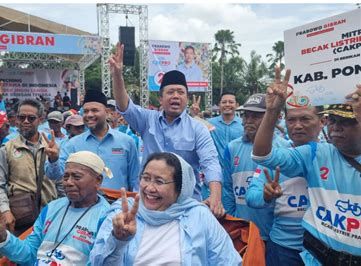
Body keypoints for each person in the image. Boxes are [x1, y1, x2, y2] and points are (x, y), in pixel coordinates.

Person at [252, 67, 361, 264]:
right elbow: (262, 156)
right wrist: (272, 110)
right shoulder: (315, 153)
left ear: (320, 122)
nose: (336, 127)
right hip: (309, 256)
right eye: (334, 120)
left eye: (347, 121)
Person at [109, 43, 224, 217]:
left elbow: (210, 162)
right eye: (170, 92)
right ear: (161, 98)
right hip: (149, 202)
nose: (176, 96)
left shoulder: (198, 129)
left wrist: (215, 196)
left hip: (185, 207)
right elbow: (125, 106)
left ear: (187, 98)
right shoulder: (147, 120)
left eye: (181, 92)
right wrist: (117, 75)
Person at [89, 152, 241, 265]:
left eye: (159, 181)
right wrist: (117, 241)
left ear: (180, 188)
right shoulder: (123, 213)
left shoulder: (199, 215)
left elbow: (228, 261)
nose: (149, 188)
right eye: (146, 178)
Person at [0, 151, 111, 265]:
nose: (69, 182)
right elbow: (29, 254)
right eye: (66, 177)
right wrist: (2, 236)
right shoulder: (52, 208)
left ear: (98, 181)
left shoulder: (107, 218)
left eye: (77, 177)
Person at [246, 103, 325, 266]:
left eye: (305, 119)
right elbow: (251, 197)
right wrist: (266, 195)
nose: (297, 125)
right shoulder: (273, 156)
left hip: (324, 251)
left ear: (322, 121)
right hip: (283, 248)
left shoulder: (333, 155)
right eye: (291, 120)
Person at [222, 93, 289, 243]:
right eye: (246, 116)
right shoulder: (232, 147)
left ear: (272, 117)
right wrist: (233, 220)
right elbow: (227, 188)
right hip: (241, 231)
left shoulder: (285, 148)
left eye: (256, 116)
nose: (249, 121)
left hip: (272, 235)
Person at [45, 89, 140, 192]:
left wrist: (132, 203)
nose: (89, 115)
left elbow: (135, 180)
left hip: (118, 205)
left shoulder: (126, 142)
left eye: (95, 110)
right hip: (84, 206)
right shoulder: (73, 144)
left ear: (107, 112)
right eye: (85, 111)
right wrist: (53, 159)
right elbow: (54, 175)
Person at [0, 98, 60, 234]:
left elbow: (61, 181)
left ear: (40, 119)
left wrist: (54, 160)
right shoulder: (7, 148)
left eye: (31, 118)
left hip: (50, 216)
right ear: (16, 120)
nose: (26, 121)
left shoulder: (52, 146)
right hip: (20, 218)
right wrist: (5, 211)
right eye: (22, 117)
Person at [208, 92, 243, 163]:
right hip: (216, 169)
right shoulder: (209, 123)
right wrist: (194, 115)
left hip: (238, 168)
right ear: (219, 105)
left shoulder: (244, 124)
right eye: (224, 102)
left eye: (231, 102)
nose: (227, 104)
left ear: (237, 105)